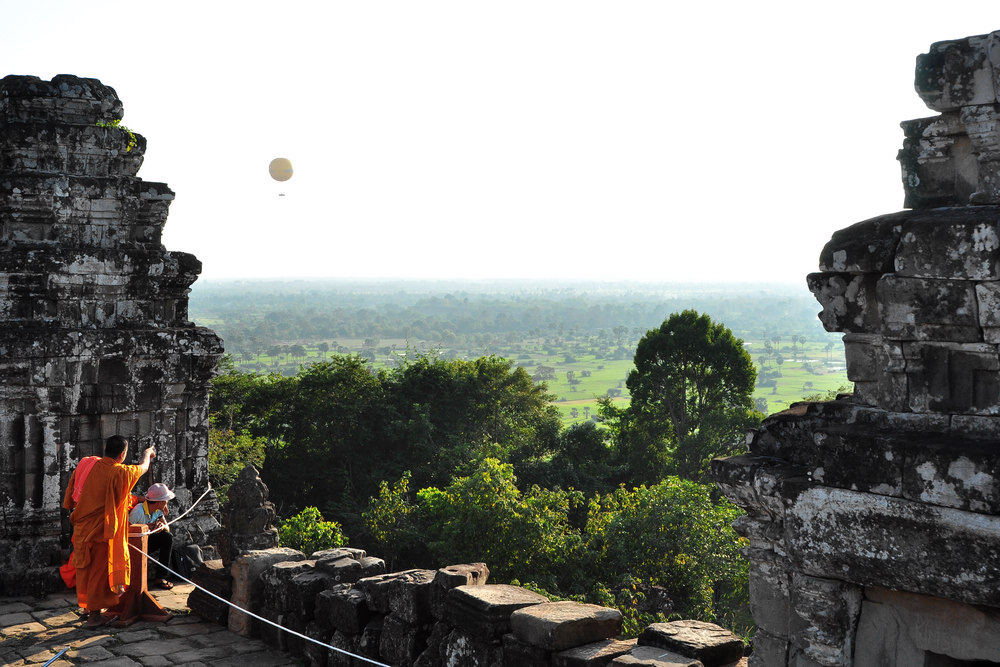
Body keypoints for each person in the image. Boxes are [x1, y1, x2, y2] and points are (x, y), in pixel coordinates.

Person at [62, 436, 155, 627]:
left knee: (85, 570)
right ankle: (95, 617)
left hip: (81, 527)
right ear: (122, 455)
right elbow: (142, 468)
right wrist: (147, 454)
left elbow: (73, 490)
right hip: (99, 531)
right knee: (98, 574)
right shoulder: (119, 472)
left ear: (105, 448)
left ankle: (88, 608)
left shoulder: (86, 463)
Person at [129, 482, 175, 589]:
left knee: (167, 537)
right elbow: (127, 531)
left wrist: (161, 527)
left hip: (147, 541)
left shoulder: (158, 510)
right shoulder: (138, 512)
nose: (166, 503)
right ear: (160, 502)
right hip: (134, 544)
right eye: (165, 501)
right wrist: (144, 527)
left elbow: (167, 528)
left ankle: (160, 577)